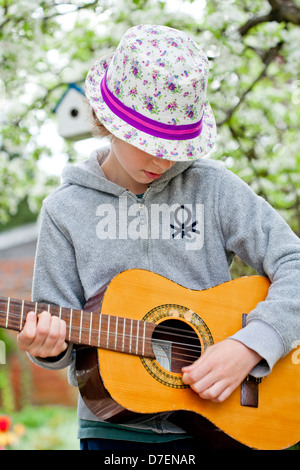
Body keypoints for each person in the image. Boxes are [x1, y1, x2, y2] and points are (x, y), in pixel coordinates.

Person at [17, 24, 300, 450]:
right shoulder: (65, 210)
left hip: (223, 423)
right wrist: (46, 347)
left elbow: (294, 263)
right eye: (148, 140)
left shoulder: (214, 188)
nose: (162, 159)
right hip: (113, 431)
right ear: (107, 121)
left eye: (176, 144)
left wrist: (251, 347)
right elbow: (58, 334)